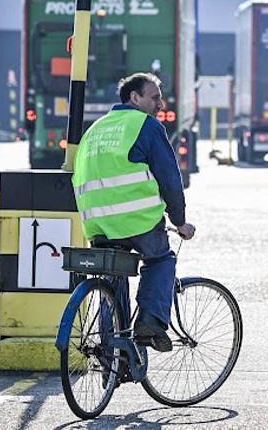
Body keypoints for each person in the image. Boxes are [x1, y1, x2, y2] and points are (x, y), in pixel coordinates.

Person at [72, 72, 196, 352]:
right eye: (155, 98)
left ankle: (112, 354)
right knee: (161, 260)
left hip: (97, 223)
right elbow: (170, 180)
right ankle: (149, 322)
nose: (160, 104)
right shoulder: (146, 126)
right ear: (134, 97)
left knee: (111, 281)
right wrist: (180, 222)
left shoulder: (95, 130)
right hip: (136, 220)